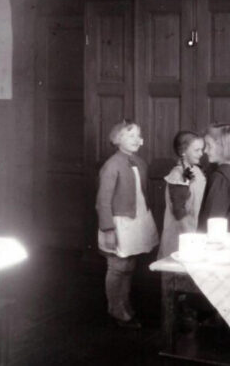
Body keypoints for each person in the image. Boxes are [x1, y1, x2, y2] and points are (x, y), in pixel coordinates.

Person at [95, 119, 159, 328]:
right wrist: (108, 229)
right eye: (130, 135)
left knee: (129, 265)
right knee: (118, 266)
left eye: (138, 135)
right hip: (118, 223)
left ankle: (124, 303)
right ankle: (116, 308)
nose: (136, 139)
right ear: (117, 139)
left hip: (136, 220)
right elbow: (103, 201)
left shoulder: (140, 162)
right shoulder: (112, 165)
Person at [158, 131, 206, 258]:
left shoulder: (196, 170)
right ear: (183, 151)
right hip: (183, 231)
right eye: (197, 150)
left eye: (202, 149)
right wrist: (191, 235)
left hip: (195, 225)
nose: (201, 153)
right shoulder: (177, 174)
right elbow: (179, 211)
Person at [197, 124, 230, 236]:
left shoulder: (220, 177)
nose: (205, 151)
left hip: (220, 239)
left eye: (209, 146)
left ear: (223, 147)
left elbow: (212, 219)